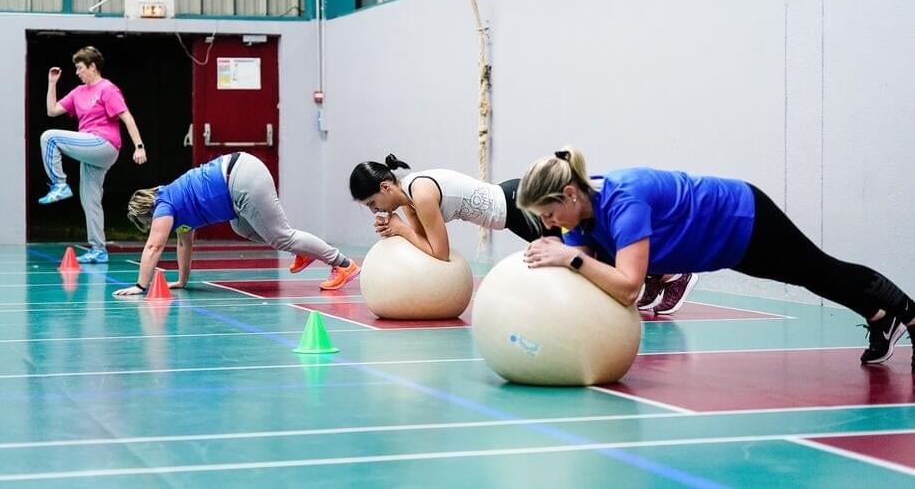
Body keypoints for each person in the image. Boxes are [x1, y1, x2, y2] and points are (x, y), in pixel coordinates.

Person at [517, 146, 915, 369]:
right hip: (722, 247)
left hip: (742, 216)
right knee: (808, 277)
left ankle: (910, 314)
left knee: (821, 271)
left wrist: (569, 259)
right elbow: (586, 269)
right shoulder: (578, 220)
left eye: (549, 215)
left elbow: (627, 287)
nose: (550, 225)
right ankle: (881, 317)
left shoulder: (625, 201)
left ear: (570, 193)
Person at [112, 152, 359, 297]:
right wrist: (182, 281)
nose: (151, 226)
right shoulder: (178, 211)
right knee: (240, 227)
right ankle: (303, 251)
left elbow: (154, 247)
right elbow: (184, 245)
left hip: (241, 178)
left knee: (282, 237)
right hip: (238, 177)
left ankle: (343, 264)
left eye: (146, 223)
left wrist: (139, 286)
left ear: (148, 213)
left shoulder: (164, 205)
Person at [40, 46, 147, 263]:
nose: (77, 72)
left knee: (49, 138)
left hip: (104, 145)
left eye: (80, 68)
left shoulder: (108, 89)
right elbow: (52, 111)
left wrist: (139, 146)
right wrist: (52, 83)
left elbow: (127, 117)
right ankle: (99, 250)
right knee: (90, 200)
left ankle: (59, 184)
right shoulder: (78, 92)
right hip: (90, 149)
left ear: (92, 67)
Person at [349, 154, 562, 261]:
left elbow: (440, 253)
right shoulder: (409, 200)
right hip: (511, 209)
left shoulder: (421, 194)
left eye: (372, 203)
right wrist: (395, 229)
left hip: (517, 204)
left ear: (385, 187)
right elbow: (424, 244)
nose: (375, 210)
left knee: (568, 252)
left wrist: (401, 229)